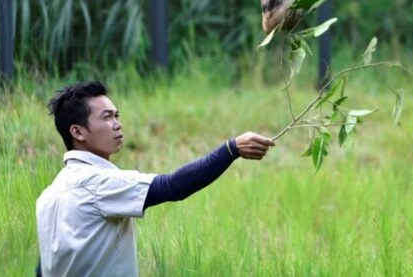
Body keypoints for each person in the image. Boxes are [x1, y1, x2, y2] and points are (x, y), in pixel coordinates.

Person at [35, 80, 274, 277]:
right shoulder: (98, 183)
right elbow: (172, 186)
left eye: (117, 115)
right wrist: (231, 149)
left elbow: (44, 268)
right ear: (77, 132)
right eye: (107, 117)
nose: (117, 124)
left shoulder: (48, 197)